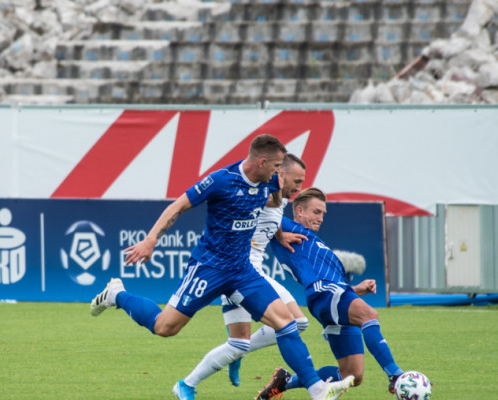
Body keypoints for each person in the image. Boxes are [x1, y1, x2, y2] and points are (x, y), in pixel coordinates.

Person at [90, 135, 354, 400]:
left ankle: (317, 390)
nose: (279, 173)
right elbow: (178, 206)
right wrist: (150, 241)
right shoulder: (221, 180)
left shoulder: (270, 180)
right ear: (262, 162)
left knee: (287, 324)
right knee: (165, 327)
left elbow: (274, 205)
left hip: (242, 270)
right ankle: (116, 295)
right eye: (276, 166)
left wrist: (278, 227)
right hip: (210, 267)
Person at [176, 153, 310, 397]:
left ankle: (225, 361)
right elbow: (258, 205)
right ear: (280, 174)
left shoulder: (278, 198)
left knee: (255, 339)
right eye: (297, 181)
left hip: (251, 273)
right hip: (237, 270)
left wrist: (280, 236)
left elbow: (272, 214)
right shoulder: (261, 193)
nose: (299, 187)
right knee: (243, 341)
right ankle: (187, 385)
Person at [255, 187, 405, 400]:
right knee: (369, 315)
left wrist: (355, 289)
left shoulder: (314, 241)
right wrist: (279, 232)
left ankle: (285, 381)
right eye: (316, 212)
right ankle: (395, 375)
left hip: (333, 294)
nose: (321, 218)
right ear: (299, 211)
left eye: (323, 213)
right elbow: (261, 210)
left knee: (353, 375)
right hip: (323, 292)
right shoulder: (289, 227)